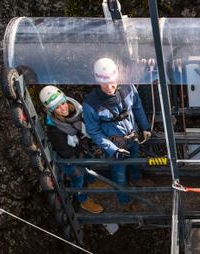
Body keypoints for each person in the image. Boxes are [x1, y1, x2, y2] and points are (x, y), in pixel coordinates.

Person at [82, 57, 154, 206]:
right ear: (98, 82)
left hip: (132, 137)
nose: (109, 87)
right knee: (119, 174)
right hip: (115, 144)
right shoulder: (91, 104)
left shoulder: (128, 87)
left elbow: (137, 107)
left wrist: (145, 127)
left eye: (111, 82)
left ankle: (136, 178)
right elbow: (94, 131)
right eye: (104, 83)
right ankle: (124, 201)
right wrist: (113, 150)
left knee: (135, 160)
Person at [39, 85, 107, 214]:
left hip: (80, 150)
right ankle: (83, 200)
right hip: (69, 159)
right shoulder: (54, 128)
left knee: (88, 168)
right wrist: (81, 145)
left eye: (63, 103)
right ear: (51, 111)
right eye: (57, 108)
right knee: (78, 178)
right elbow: (64, 152)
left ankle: (92, 182)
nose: (63, 108)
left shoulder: (76, 110)